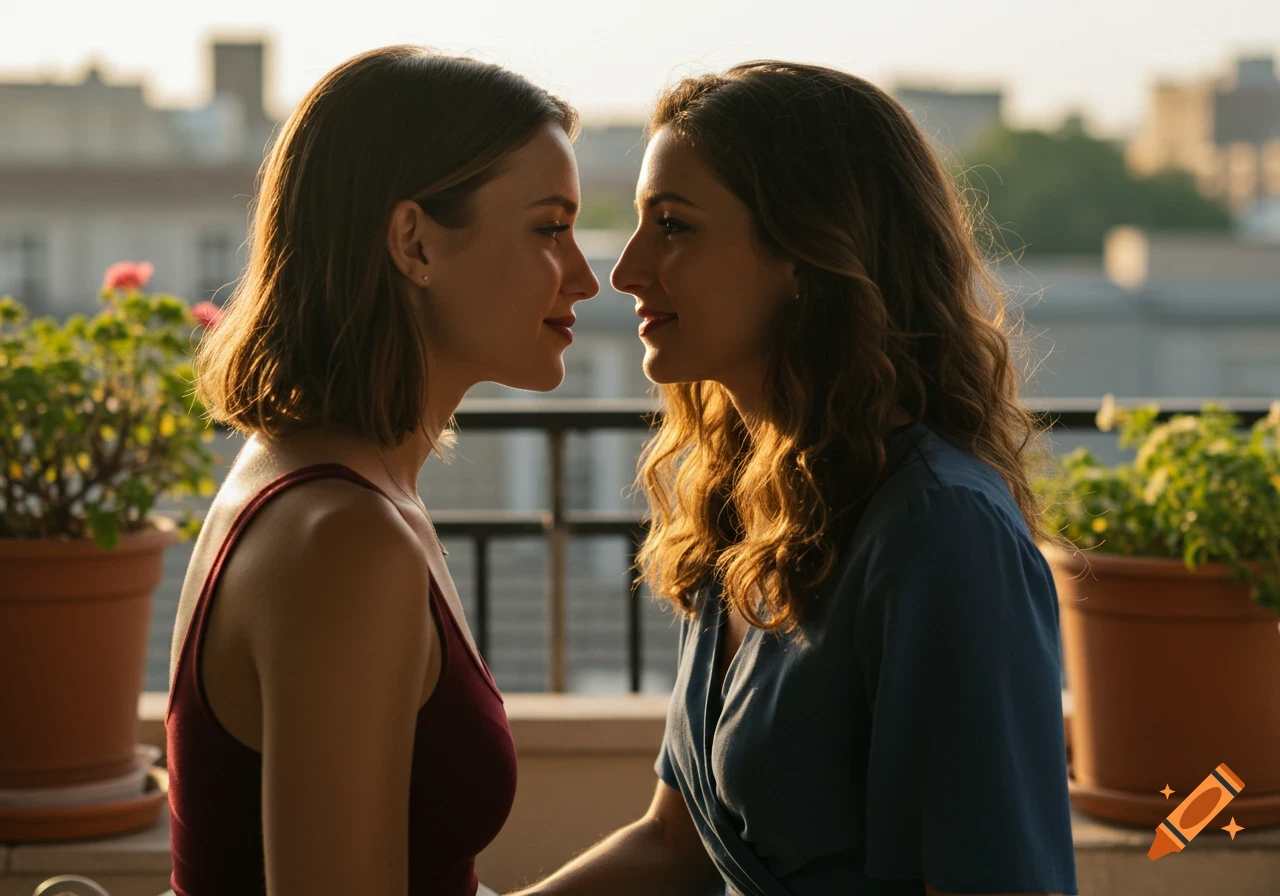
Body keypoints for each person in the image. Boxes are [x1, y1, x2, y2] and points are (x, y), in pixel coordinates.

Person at [509, 61, 1077, 896]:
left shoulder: (942, 532)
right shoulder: (743, 503)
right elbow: (675, 845)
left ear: (809, 253)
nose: (624, 270)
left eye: (673, 225)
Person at [164, 46, 598, 896]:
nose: (585, 276)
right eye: (550, 228)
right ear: (414, 242)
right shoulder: (343, 539)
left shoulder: (322, 484)